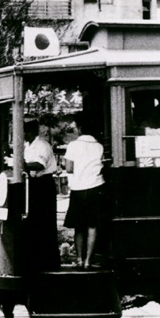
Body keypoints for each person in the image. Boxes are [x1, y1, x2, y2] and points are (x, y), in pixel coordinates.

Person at [63, 113, 106, 270]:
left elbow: (68, 168)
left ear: (79, 129)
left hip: (78, 189)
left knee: (79, 226)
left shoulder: (73, 145)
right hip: (96, 187)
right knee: (92, 226)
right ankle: (89, 260)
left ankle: (80, 260)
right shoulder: (99, 146)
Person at [23, 119, 60, 271]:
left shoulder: (42, 146)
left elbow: (40, 164)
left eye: (25, 131)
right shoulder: (27, 147)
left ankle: (49, 261)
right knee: (33, 221)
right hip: (32, 184)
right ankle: (35, 259)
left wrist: (20, 164)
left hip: (44, 184)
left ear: (32, 132)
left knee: (46, 221)